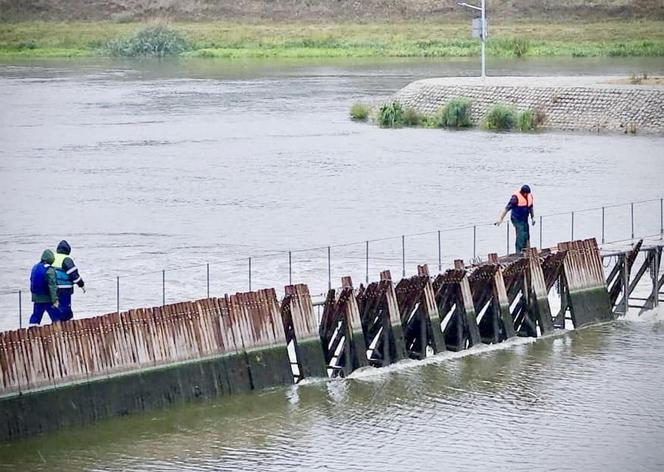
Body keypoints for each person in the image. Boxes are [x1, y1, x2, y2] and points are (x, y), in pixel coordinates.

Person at [495, 185, 536, 254]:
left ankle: (527, 250)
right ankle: (518, 251)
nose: (526, 195)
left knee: (526, 234)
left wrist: (533, 217)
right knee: (521, 233)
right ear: (523, 193)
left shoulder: (529, 196)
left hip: (525, 219)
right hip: (516, 219)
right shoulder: (515, 198)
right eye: (525, 193)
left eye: (528, 193)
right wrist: (500, 219)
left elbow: (531, 207)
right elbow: (506, 208)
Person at [52, 240, 85, 321]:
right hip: (64, 287)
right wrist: (81, 285)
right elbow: (74, 274)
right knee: (65, 307)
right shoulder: (66, 259)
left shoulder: (52, 257)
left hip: (52, 286)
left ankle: (56, 323)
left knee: (56, 306)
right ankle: (67, 324)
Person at [29, 249, 60, 327]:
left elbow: (31, 280)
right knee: (55, 317)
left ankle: (32, 332)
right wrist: (54, 300)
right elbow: (52, 286)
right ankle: (58, 333)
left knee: (35, 316)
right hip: (48, 298)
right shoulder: (49, 270)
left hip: (36, 297)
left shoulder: (35, 267)